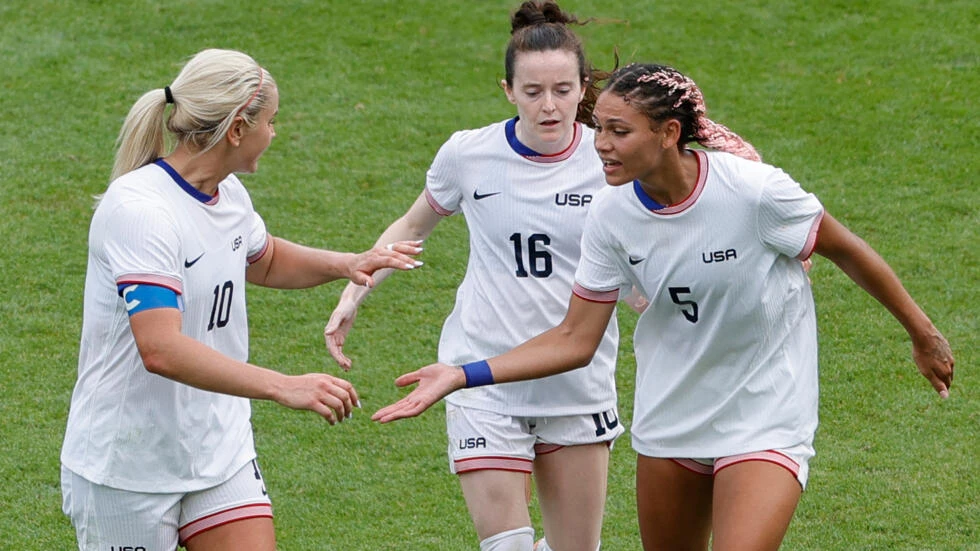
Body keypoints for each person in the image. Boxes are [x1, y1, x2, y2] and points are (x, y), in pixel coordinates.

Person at [371, 62, 956, 551]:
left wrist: (922, 333)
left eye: (618, 132)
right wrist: (462, 373)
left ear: (669, 132)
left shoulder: (755, 194)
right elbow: (574, 340)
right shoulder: (611, 214)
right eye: (598, 128)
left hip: (763, 417)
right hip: (669, 423)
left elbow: (848, 251)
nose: (599, 145)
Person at [59, 48, 422, 551]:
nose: (275, 133)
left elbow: (264, 259)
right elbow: (160, 348)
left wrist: (348, 263)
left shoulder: (227, 196)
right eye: (271, 121)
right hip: (128, 467)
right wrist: (281, 386)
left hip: (218, 450)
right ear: (236, 130)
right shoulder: (140, 211)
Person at [323, 3, 632, 550]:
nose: (550, 106)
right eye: (533, 91)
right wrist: (355, 291)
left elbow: (644, 255)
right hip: (479, 378)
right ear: (507, 90)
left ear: (584, 87)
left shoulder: (610, 162)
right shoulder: (469, 155)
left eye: (563, 90)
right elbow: (412, 226)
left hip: (576, 386)